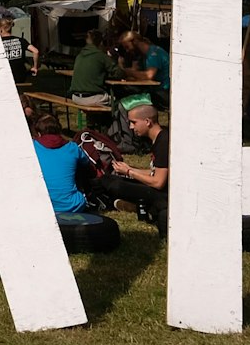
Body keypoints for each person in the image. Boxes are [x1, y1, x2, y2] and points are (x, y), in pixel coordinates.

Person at [97, 96, 168, 232]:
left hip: (162, 195)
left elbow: (158, 182)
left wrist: (131, 173)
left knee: (114, 185)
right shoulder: (157, 139)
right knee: (109, 179)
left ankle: (141, 206)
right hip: (156, 189)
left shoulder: (163, 142)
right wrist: (129, 169)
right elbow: (155, 171)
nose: (130, 127)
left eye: (133, 122)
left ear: (147, 121)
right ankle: (137, 205)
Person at [31, 113, 95, 213]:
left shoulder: (32, 147)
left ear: (39, 133)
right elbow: (88, 166)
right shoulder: (72, 147)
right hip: (73, 205)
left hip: (41, 206)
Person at [68, 29, 122, 107]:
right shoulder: (100, 55)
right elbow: (119, 73)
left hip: (75, 97)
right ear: (101, 43)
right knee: (120, 101)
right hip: (92, 98)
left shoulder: (80, 55)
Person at [120, 30, 171, 96]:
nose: (127, 51)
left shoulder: (153, 54)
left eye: (127, 47)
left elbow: (149, 75)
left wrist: (129, 72)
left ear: (135, 41)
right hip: (156, 90)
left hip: (163, 92)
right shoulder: (144, 56)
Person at [0, 15, 41, 83]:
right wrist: (34, 67)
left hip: (5, 76)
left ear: (1, 29)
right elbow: (36, 51)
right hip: (20, 76)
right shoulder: (21, 40)